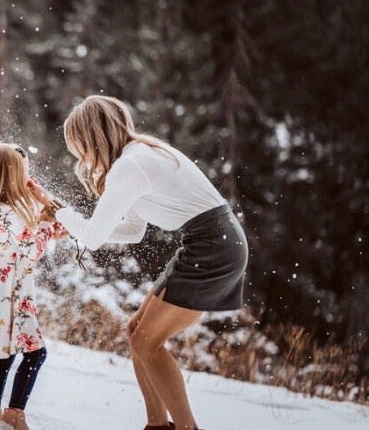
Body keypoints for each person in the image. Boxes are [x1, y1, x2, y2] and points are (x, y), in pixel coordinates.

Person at [29, 96, 248, 430]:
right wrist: (73, 224)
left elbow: (92, 237)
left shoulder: (129, 166)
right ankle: (156, 425)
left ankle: (187, 427)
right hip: (211, 241)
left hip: (212, 247)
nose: (81, 157)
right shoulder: (141, 154)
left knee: (147, 342)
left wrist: (60, 213)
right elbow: (132, 231)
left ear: (91, 138)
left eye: (79, 146)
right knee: (137, 333)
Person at [0, 143, 69, 430]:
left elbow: (19, 246)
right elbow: (30, 253)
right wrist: (47, 224)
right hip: (10, 297)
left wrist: (46, 227)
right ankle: (13, 414)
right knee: (35, 353)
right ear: (13, 175)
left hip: (1, 293)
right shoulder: (10, 213)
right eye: (23, 171)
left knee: (6, 354)